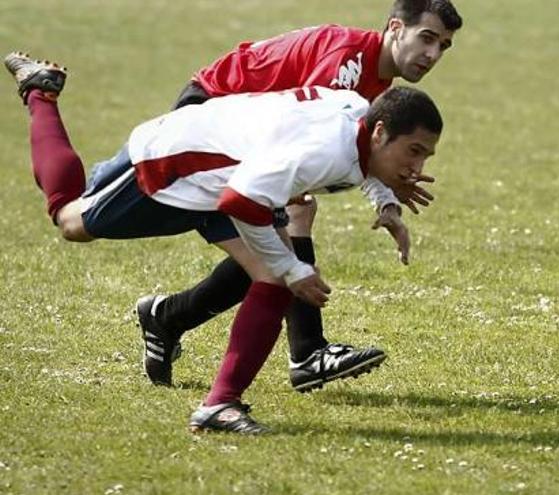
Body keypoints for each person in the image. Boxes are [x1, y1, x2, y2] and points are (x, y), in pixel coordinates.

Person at [5, 51, 443, 433]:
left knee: (271, 277)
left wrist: (386, 200)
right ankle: (41, 94)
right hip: (173, 162)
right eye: (415, 151)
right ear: (382, 132)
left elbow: (344, 160)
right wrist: (295, 267)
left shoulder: (361, 115)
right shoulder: (322, 151)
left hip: (230, 172)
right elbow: (242, 202)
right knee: (70, 220)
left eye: (426, 155)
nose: (418, 164)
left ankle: (219, 405)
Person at [136, 0, 463, 392]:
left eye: (443, 46)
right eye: (426, 38)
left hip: (247, 134)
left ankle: (167, 318)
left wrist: (386, 201)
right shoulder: (348, 64)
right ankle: (306, 353)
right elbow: (315, 138)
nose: (432, 54)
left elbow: (356, 145)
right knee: (283, 232)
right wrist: (380, 193)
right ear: (395, 28)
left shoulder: (376, 79)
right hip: (208, 114)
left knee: (271, 249)